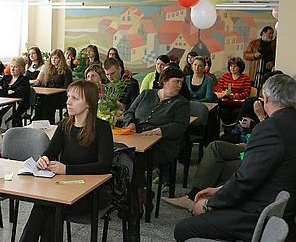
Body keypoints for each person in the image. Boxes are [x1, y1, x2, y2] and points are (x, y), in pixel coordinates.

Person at [174, 74, 296, 242]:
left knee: (184, 229)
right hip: (283, 210)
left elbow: (246, 180)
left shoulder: (270, 128)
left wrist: (210, 203)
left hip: (259, 215)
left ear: (266, 99)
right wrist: (219, 190)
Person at [19, 80, 114, 242]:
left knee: (49, 209)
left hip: (93, 192)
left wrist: (67, 169)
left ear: (89, 103)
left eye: (75, 98)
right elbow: (50, 152)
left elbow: (104, 166)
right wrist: (44, 159)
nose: (68, 101)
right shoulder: (65, 124)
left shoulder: (102, 128)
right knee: (45, 205)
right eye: (68, 96)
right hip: (65, 187)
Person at [123, 68, 190, 215]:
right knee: (118, 154)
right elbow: (129, 112)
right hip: (136, 139)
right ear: (164, 81)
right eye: (176, 81)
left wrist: (158, 131)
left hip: (162, 145)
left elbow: (180, 126)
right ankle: (137, 194)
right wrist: (131, 123)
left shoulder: (181, 103)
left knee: (133, 158)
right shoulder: (147, 94)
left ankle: (137, 198)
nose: (179, 85)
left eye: (181, 82)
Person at [32, 49, 73, 124]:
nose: (53, 60)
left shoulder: (66, 70)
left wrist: (54, 90)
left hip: (61, 96)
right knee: (40, 100)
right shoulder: (49, 69)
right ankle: (38, 121)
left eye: (56, 58)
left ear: (61, 59)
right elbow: (45, 84)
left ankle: (48, 122)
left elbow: (67, 87)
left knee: (47, 101)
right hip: (49, 95)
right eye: (52, 58)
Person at [214, 57, 252, 124]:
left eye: (235, 66)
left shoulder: (245, 78)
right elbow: (217, 88)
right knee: (223, 112)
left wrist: (235, 96)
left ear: (240, 67)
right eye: (231, 66)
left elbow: (247, 92)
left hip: (239, 104)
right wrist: (223, 92)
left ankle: (233, 129)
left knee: (236, 113)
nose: (232, 68)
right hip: (225, 102)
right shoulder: (225, 76)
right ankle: (227, 129)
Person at [243, 26, 276, 90]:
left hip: (268, 73)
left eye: (272, 33)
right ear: (263, 33)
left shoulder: (273, 45)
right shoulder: (253, 43)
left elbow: (277, 57)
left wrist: (272, 63)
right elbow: (245, 55)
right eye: (269, 33)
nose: (271, 35)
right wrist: (254, 55)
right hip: (255, 73)